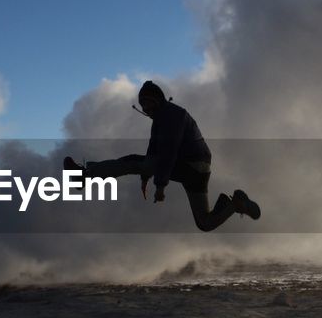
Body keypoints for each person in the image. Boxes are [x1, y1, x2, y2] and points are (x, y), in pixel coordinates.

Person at [65, 80, 260, 231]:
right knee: (204, 222)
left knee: (131, 162)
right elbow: (153, 152)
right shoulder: (161, 118)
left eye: (148, 104)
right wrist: (145, 176)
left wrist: (160, 185)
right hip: (199, 170)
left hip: (189, 164)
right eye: (143, 106)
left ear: (158, 99)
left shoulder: (171, 116)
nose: (146, 110)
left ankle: (83, 175)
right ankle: (235, 204)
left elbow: (168, 152)